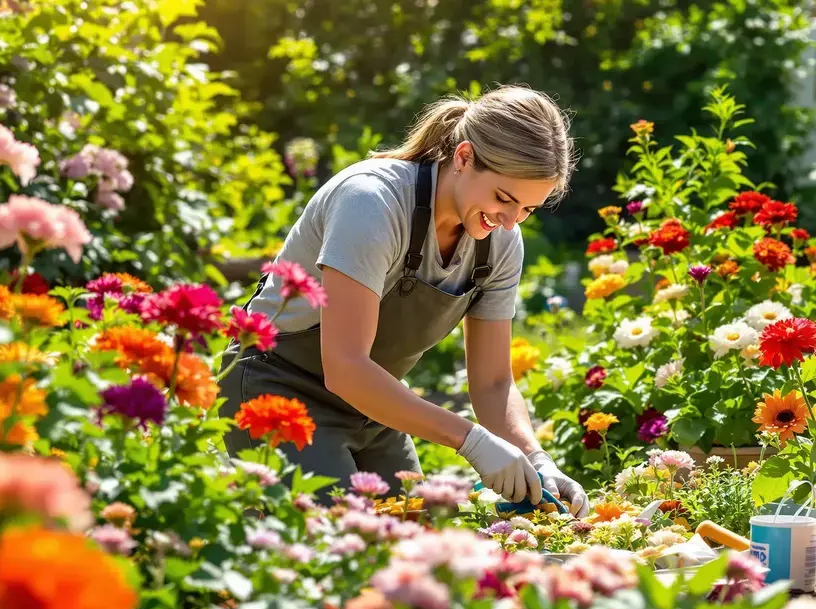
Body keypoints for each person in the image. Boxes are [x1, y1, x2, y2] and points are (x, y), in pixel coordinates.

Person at [219, 84, 589, 516]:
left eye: (528, 209)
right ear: (464, 158)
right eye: (503, 198)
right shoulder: (371, 203)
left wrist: (534, 456)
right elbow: (345, 366)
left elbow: (492, 383)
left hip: (376, 407)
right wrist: (472, 440)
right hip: (277, 387)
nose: (510, 222)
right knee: (336, 551)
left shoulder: (500, 243)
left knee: (414, 554)